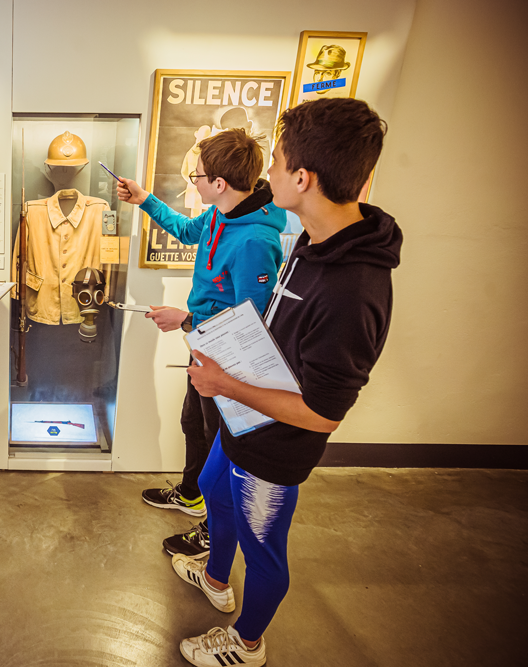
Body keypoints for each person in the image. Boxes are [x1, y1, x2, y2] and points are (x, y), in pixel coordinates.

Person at [175, 98, 401, 667]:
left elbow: (323, 414)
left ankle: (247, 642)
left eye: (275, 162)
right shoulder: (313, 242)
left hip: (275, 448)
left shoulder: (354, 290)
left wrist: (224, 384)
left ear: (302, 178)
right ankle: (215, 579)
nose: (267, 174)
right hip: (242, 424)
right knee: (214, 498)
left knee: (265, 550)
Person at [117, 128, 284, 559]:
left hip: (229, 360)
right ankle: (191, 493)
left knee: (221, 440)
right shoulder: (219, 215)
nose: (195, 178)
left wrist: (186, 317)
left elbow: (252, 319)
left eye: (200, 174)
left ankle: (213, 527)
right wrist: (144, 199)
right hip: (202, 346)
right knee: (193, 422)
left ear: (220, 184)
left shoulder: (255, 240)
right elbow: (187, 231)